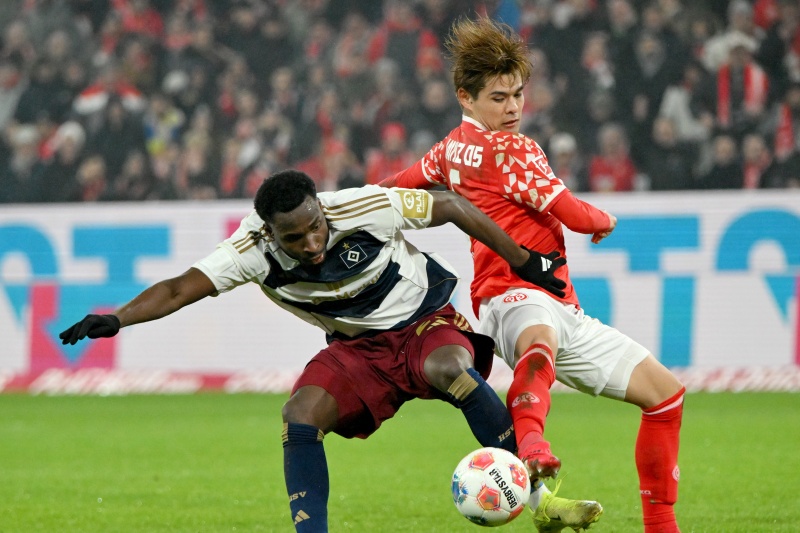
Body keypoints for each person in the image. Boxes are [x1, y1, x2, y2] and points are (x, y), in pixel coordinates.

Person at [59, 169, 586, 532]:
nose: (311, 243)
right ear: (270, 234)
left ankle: (542, 504)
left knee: (451, 367)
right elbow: (179, 288)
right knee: (300, 414)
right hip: (356, 350)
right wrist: (117, 318)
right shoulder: (248, 251)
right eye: (295, 239)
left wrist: (523, 260)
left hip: (424, 321)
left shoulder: (361, 206)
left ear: (321, 208)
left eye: (316, 227)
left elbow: (449, 204)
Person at [380, 18, 686, 533]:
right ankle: (533, 447)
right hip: (513, 294)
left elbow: (398, 186)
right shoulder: (514, 148)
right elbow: (573, 213)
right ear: (465, 97)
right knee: (539, 339)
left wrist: (341, 207)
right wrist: (604, 220)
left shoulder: (449, 150)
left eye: (518, 94)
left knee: (665, 395)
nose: (513, 108)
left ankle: (660, 527)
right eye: (499, 98)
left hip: (557, 304)